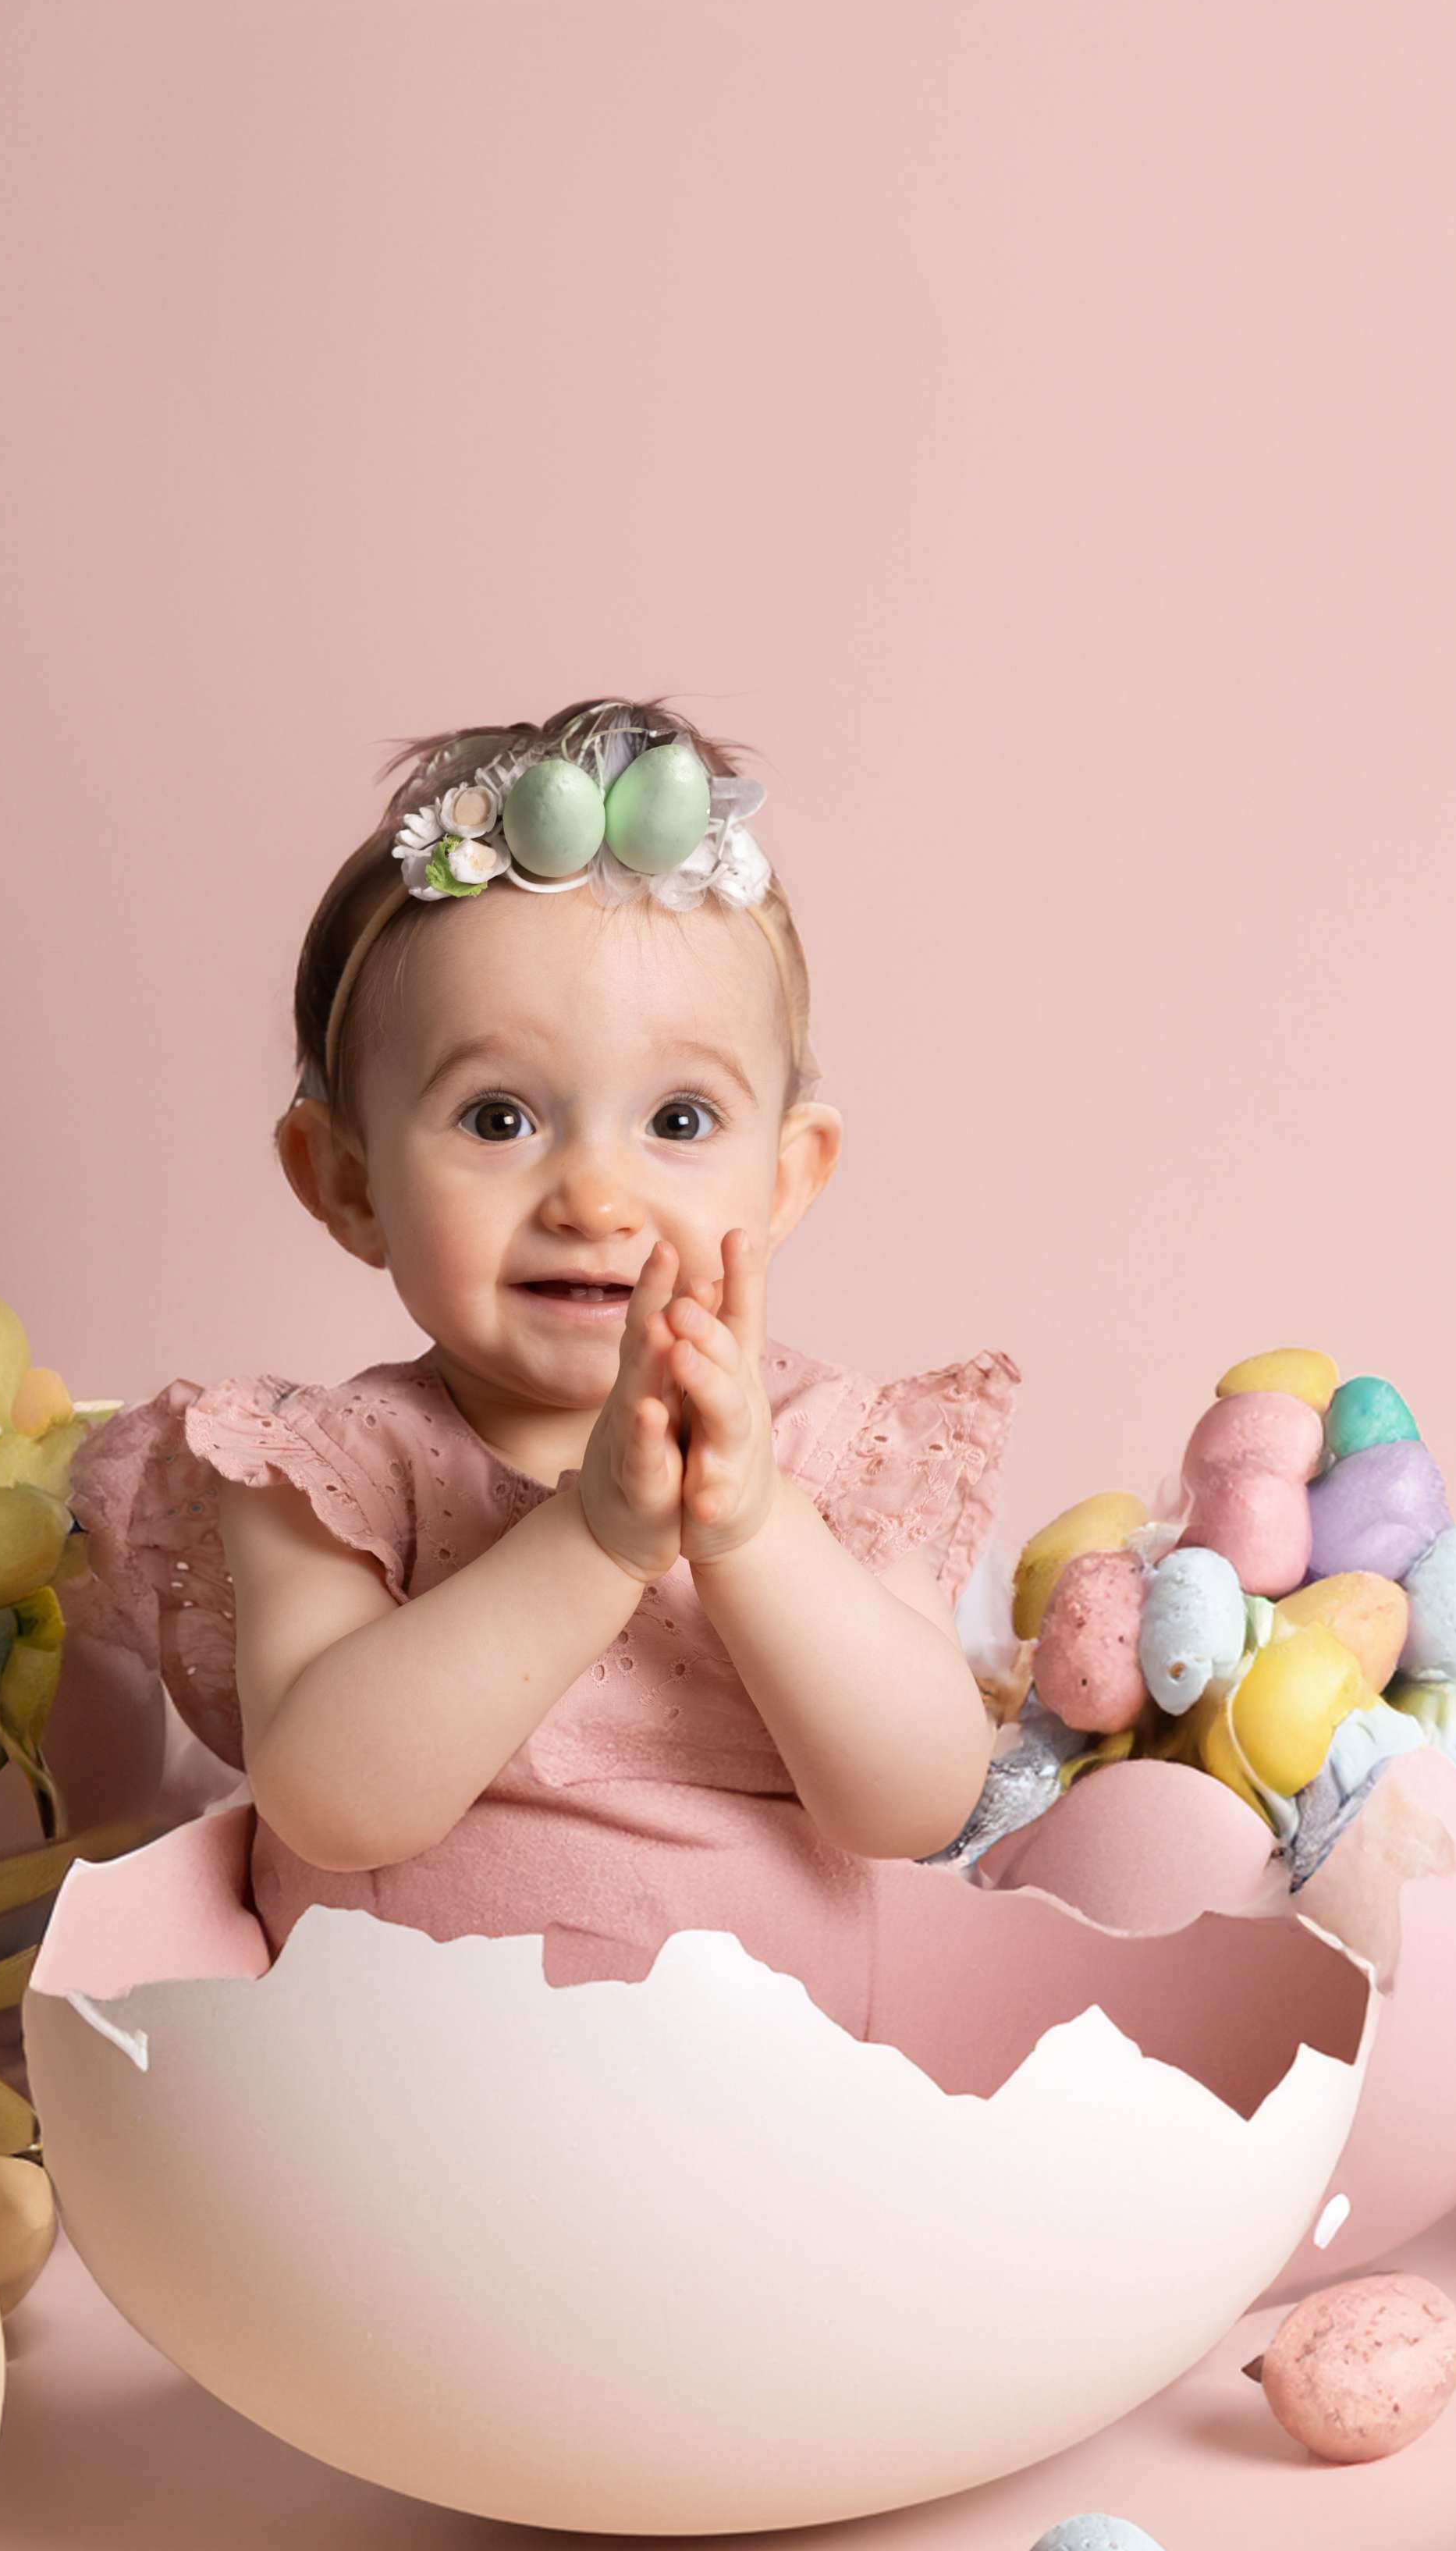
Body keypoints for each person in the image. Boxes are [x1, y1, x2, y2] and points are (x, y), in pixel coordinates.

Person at [71, 695, 1020, 2045]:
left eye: (677, 1118)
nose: (592, 1197)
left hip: (774, 2118)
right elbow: (329, 1803)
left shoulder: (826, 1447)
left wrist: (750, 1531)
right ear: (346, 1182)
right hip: (394, 2103)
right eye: (498, 1117)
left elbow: (918, 1802)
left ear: (786, 1175)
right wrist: (594, 1542)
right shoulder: (332, 1470)